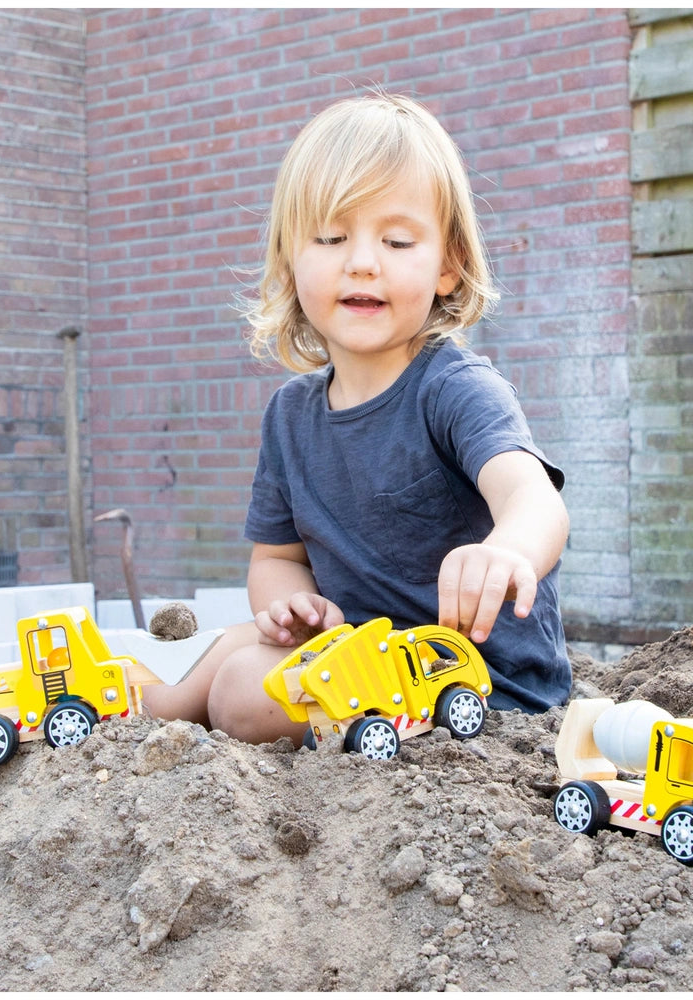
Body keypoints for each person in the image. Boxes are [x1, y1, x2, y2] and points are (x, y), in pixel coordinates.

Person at [142, 92, 571, 743]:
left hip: (467, 677)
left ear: (448, 266)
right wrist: (290, 607)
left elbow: (534, 500)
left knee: (240, 690)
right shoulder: (290, 415)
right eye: (331, 237)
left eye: (396, 240)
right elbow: (276, 558)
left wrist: (507, 550)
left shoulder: (455, 389)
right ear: (289, 260)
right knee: (207, 657)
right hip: (354, 648)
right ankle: (127, 708)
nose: (363, 261)